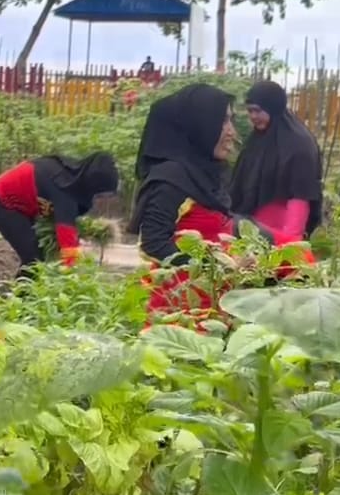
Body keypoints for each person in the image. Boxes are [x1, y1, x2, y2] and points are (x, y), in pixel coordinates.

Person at [128, 83, 311, 324]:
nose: (232, 132)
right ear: (199, 125)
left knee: (300, 257)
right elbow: (154, 242)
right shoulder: (170, 179)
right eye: (223, 121)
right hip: (189, 304)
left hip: (218, 289)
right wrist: (219, 266)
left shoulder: (204, 174)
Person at [0, 153, 119, 273]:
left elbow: (68, 220)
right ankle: (18, 298)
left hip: (27, 204)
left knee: (38, 258)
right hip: (3, 200)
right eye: (100, 195)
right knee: (34, 258)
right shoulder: (63, 186)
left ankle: (26, 294)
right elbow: (66, 234)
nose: (100, 200)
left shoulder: (73, 179)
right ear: (92, 185)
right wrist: (70, 272)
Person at [227, 81, 324, 240]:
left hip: (279, 234)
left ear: (273, 107)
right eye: (250, 111)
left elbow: (300, 196)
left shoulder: (299, 144)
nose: (253, 117)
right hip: (251, 232)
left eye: (257, 111)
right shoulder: (258, 140)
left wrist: (290, 241)